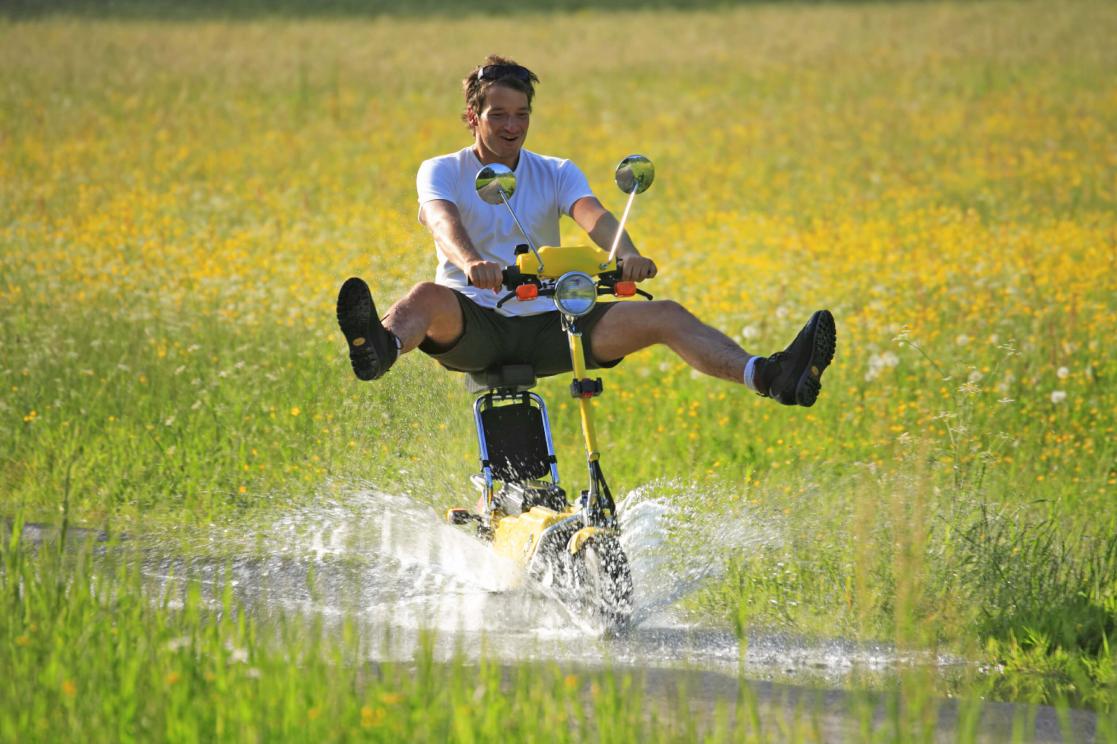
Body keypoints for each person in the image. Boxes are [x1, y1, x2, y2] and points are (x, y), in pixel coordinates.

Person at [337, 55, 835, 406]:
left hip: (557, 326)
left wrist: (628, 254)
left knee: (665, 312)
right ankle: (378, 349)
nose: (512, 126)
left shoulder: (554, 169)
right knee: (424, 296)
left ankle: (770, 377)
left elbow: (591, 211)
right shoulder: (441, 169)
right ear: (473, 117)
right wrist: (471, 265)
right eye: (499, 115)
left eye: (522, 115)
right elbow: (442, 220)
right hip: (473, 324)